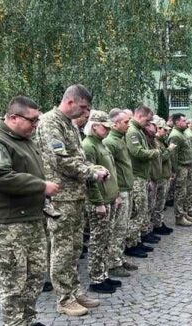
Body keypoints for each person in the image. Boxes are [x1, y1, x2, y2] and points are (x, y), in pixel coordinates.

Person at [0, 96, 58, 326]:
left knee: (36, 275)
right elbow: (1, 176)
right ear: (13, 117)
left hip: (31, 217)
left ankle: (28, 319)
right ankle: (15, 323)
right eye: (32, 120)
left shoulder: (24, 139)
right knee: (14, 280)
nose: (36, 125)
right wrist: (42, 186)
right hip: (9, 221)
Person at [35, 84, 109, 316]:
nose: (86, 112)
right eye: (84, 107)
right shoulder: (50, 123)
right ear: (70, 102)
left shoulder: (68, 124)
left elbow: (78, 157)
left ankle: (75, 290)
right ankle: (64, 298)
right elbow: (61, 160)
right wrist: (91, 173)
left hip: (75, 195)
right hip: (60, 198)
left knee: (75, 247)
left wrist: (91, 167)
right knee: (62, 249)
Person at [81, 110, 123, 294]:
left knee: (106, 238)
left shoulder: (100, 143)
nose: (107, 130)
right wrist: (98, 202)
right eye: (104, 127)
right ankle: (96, 278)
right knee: (98, 240)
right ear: (94, 126)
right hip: (100, 201)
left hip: (109, 198)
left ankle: (104, 274)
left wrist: (116, 195)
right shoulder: (88, 146)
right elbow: (90, 179)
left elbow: (110, 172)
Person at [102, 109, 144, 268]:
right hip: (120, 190)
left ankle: (118, 257)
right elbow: (110, 170)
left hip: (128, 187)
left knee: (123, 226)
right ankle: (113, 263)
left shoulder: (120, 139)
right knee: (118, 228)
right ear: (115, 124)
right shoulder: (110, 142)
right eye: (126, 122)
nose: (128, 124)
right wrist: (117, 192)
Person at [126, 106, 163, 247]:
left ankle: (137, 239)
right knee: (139, 212)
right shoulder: (133, 132)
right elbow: (138, 152)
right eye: (147, 120)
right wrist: (155, 152)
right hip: (137, 176)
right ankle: (131, 243)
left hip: (142, 175)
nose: (148, 124)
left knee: (142, 210)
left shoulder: (139, 131)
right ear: (140, 116)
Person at [167, 113, 192, 226]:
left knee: (185, 192)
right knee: (180, 193)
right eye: (183, 121)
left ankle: (183, 213)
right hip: (181, 167)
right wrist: (175, 170)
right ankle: (179, 217)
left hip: (187, 166)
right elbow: (173, 155)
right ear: (177, 122)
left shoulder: (182, 133)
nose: (186, 122)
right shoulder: (175, 135)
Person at [152, 118, 175, 235]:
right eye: (164, 130)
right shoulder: (155, 142)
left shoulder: (161, 141)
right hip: (159, 176)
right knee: (158, 202)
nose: (166, 133)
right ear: (158, 129)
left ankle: (159, 222)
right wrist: (169, 150)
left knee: (161, 202)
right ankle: (156, 224)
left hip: (164, 175)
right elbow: (161, 158)